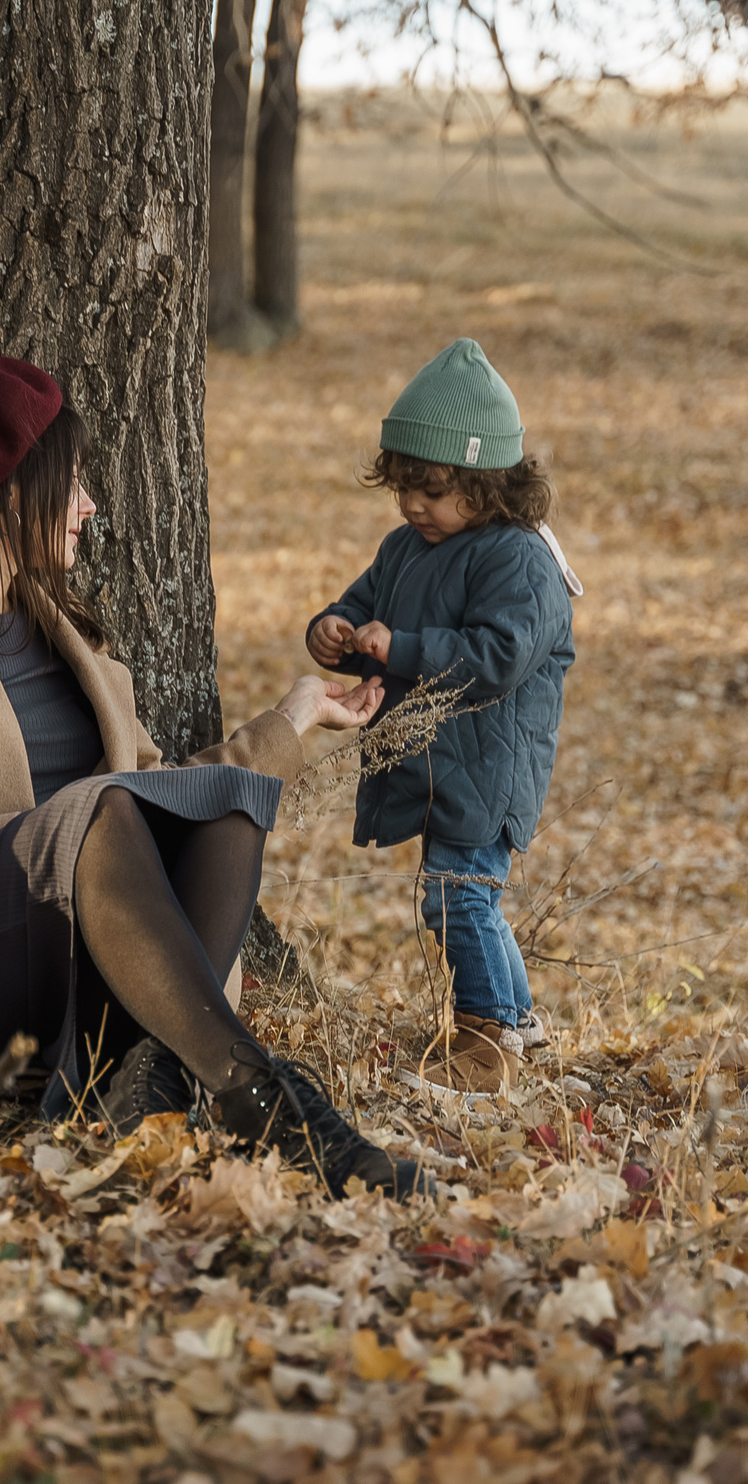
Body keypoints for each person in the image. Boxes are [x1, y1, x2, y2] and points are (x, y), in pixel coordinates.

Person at [0, 357, 429, 1199]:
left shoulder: (79, 646)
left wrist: (293, 721)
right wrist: (50, 830)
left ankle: (141, 1081)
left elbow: (161, 802)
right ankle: (251, 1087)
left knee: (226, 807)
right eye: (74, 485)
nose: (91, 505)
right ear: (10, 496)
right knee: (100, 815)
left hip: (85, 956)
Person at [307, 337, 581, 1098]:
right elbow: (365, 607)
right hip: (439, 758)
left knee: (456, 891)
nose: (413, 505)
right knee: (466, 892)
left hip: (491, 758)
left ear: (487, 482)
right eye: (403, 488)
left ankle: (484, 1041)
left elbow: (500, 654)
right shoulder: (405, 548)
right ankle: (519, 1023)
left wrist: (405, 648)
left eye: (432, 490)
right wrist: (333, 629)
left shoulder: (518, 560)